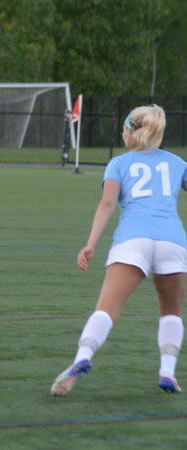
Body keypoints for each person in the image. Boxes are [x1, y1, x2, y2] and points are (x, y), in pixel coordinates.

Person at [51, 104, 187, 396]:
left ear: (130, 131)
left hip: (133, 239)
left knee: (106, 310)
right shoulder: (176, 162)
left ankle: (82, 358)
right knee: (171, 312)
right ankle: (167, 373)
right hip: (173, 241)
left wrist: (91, 243)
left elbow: (107, 203)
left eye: (123, 129)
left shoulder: (119, 163)